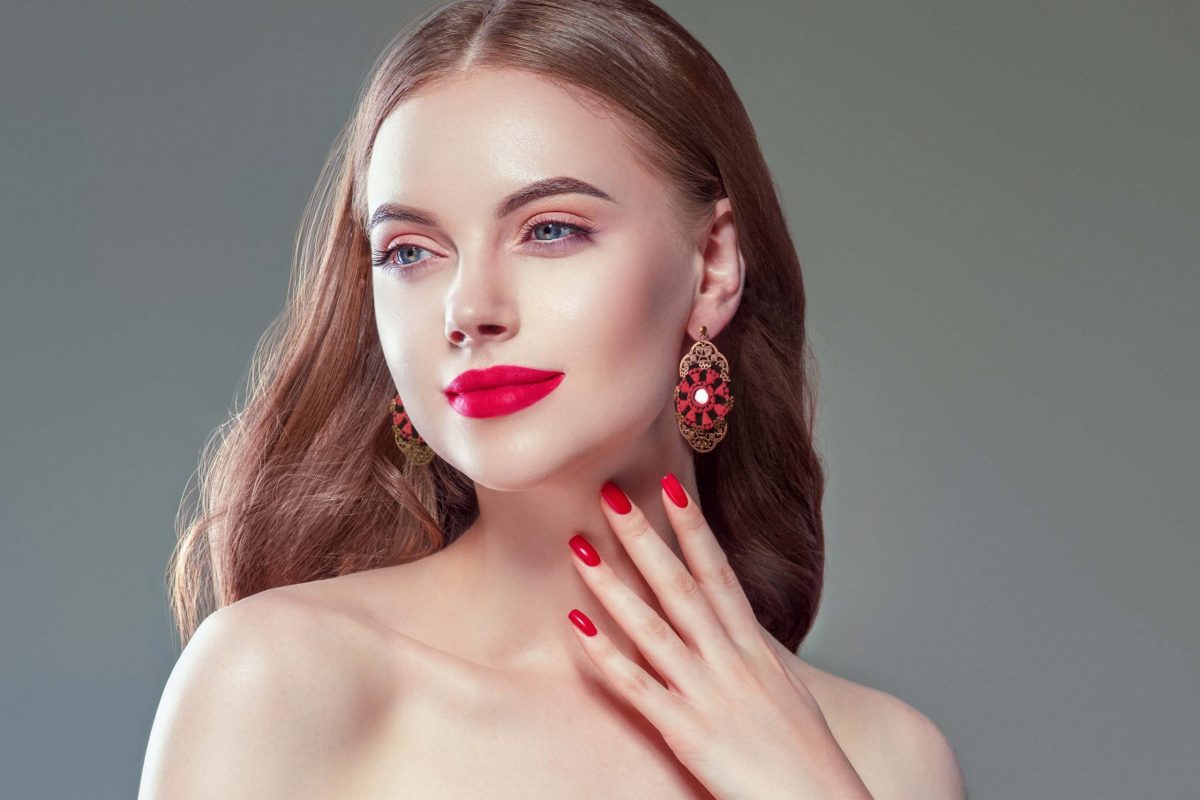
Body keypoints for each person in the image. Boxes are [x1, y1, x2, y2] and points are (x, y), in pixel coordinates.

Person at [138, 1, 966, 797]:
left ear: (712, 265)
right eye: (410, 252)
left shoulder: (885, 759)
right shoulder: (280, 682)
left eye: (550, 230)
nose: (469, 310)